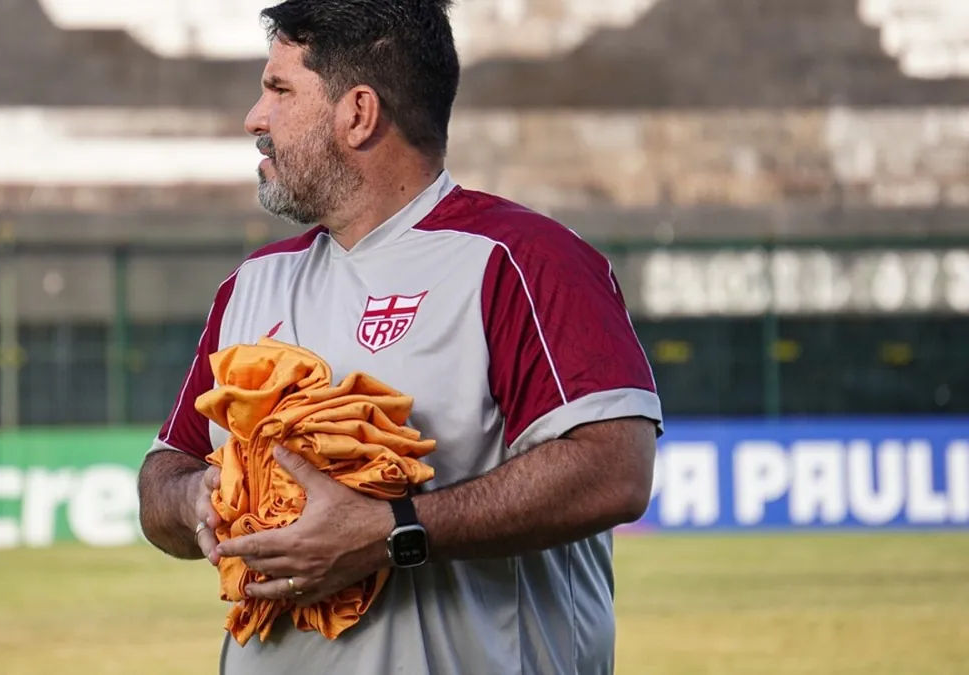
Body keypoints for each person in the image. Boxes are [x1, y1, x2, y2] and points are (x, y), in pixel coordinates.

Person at [137, 1, 662, 673]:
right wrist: (195, 500)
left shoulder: (521, 260)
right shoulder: (252, 285)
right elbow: (163, 473)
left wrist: (395, 530)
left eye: (278, 91)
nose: (255, 119)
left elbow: (616, 469)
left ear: (357, 113)